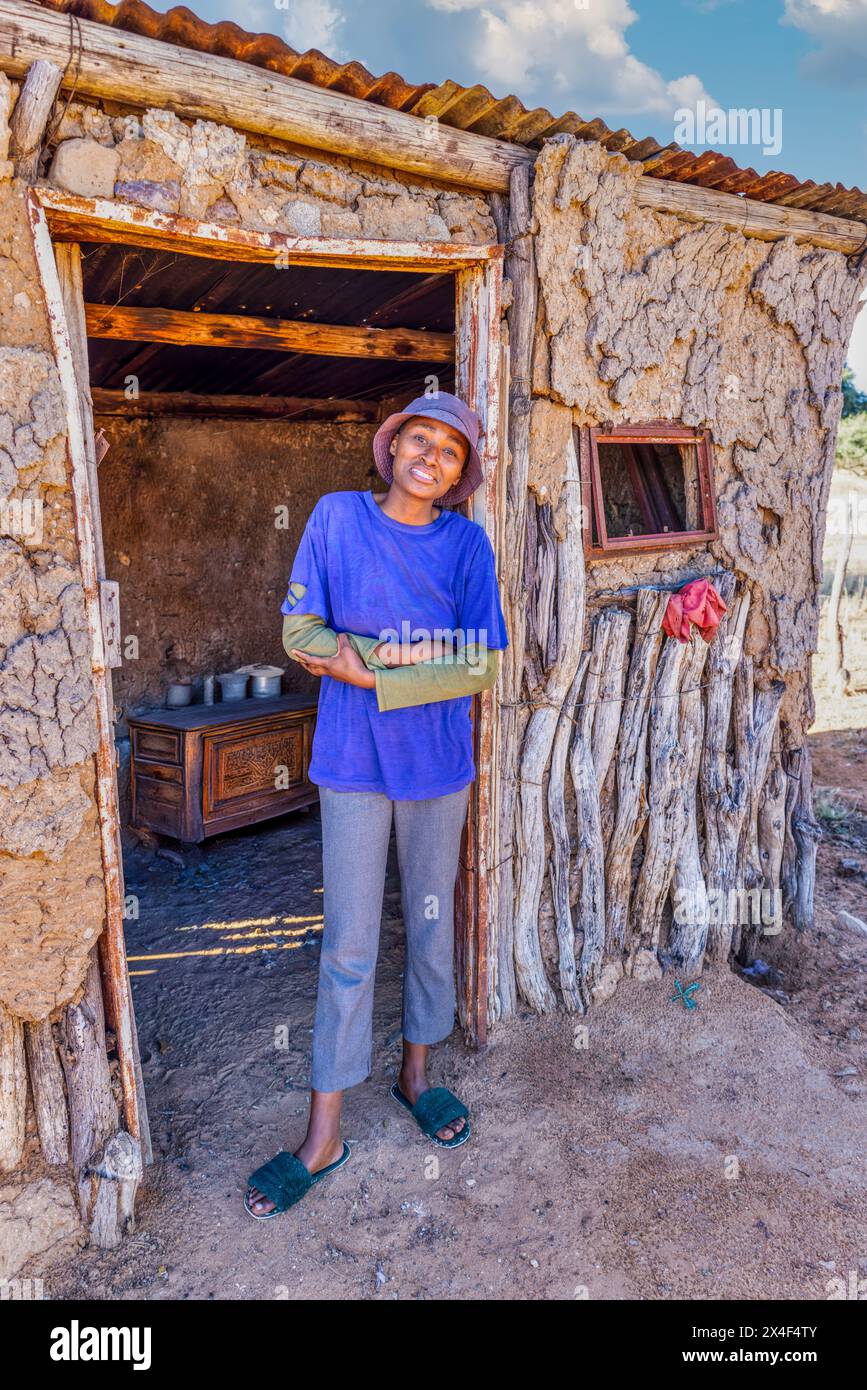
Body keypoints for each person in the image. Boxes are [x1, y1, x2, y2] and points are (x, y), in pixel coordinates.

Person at [244, 391, 509, 1220]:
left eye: (450, 452)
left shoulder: (467, 545)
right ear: (391, 448)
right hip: (352, 763)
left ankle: (416, 1074)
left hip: (436, 768)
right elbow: (299, 633)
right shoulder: (334, 518)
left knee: (431, 926)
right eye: (418, 441)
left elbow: (481, 661)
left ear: (460, 475)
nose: (430, 457)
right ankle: (323, 1131)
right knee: (349, 943)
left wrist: (369, 662)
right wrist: (383, 661)